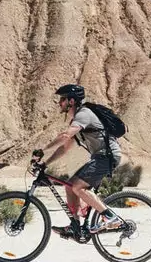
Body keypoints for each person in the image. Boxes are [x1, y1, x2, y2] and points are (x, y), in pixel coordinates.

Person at [37, 84, 124, 239]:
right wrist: (46, 163)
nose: (60, 103)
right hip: (100, 157)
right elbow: (64, 148)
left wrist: (42, 150)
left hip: (107, 156)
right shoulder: (79, 120)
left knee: (78, 187)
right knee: (70, 186)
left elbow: (65, 136)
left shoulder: (84, 114)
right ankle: (75, 226)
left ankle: (110, 217)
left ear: (71, 101)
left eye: (62, 99)